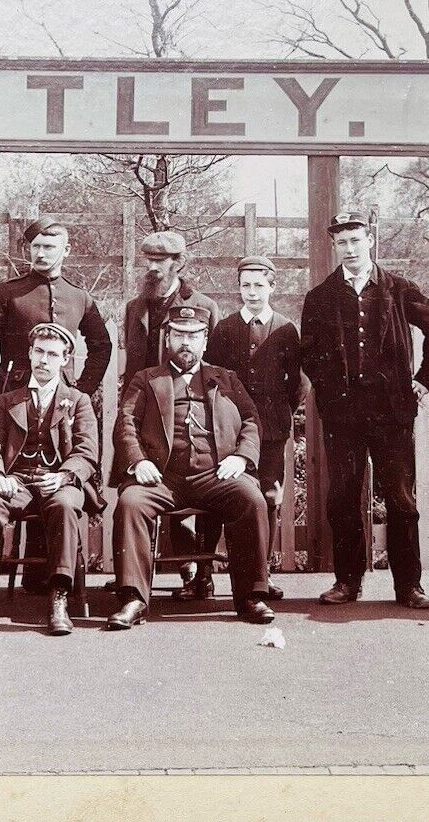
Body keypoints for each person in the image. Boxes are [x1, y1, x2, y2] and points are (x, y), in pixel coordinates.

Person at [300, 212, 429, 609]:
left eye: (356, 239)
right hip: (343, 417)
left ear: (371, 240)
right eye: (342, 242)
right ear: (335, 246)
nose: (349, 249)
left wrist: (423, 380)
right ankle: (348, 582)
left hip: (391, 414)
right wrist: (330, 391)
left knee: (401, 500)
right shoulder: (320, 296)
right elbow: (310, 354)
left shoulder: (399, 290)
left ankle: (409, 587)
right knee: (342, 498)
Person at [107, 304, 276, 630]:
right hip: (163, 478)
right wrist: (139, 461)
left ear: (204, 341)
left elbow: (252, 421)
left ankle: (251, 597)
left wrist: (241, 457)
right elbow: (126, 423)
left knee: (251, 500)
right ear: (168, 338)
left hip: (215, 475)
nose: (186, 342)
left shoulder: (225, 378)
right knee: (130, 503)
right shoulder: (147, 379)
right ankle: (133, 599)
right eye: (179, 335)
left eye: (193, 336)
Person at [0, 218, 111, 594]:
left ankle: (46, 580)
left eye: (50, 246)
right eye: (36, 247)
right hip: (12, 395)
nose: (41, 253)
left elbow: (102, 345)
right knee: (19, 467)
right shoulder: (7, 293)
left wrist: (81, 388)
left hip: (61, 398)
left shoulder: (79, 296)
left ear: (66, 250)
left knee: (55, 471)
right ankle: (7, 580)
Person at [0, 322, 100, 636]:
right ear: (30, 353)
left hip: (58, 482)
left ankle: (59, 597)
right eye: (38, 352)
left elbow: (87, 450)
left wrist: (64, 476)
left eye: (52, 354)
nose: (43, 360)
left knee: (64, 505)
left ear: (65, 360)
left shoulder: (78, 400)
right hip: (16, 480)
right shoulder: (8, 400)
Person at [114, 230, 221, 594]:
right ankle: (141, 574)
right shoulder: (135, 307)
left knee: (199, 488)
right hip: (144, 416)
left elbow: (214, 370)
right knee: (144, 489)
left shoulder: (203, 305)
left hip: (189, 416)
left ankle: (200, 573)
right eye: (149, 261)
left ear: (179, 263)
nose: (152, 268)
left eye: (160, 261)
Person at [201, 254, 302, 601]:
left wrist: (277, 412)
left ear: (273, 286)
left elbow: (296, 385)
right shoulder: (225, 329)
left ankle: (263, 572)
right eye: (246, 285)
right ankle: (203, 575)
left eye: (259, 285)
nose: (252, 292)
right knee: (218, 494)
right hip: (227, 428)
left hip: (272, 427)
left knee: (268, 496)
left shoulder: (287, 329)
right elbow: (210, 377)